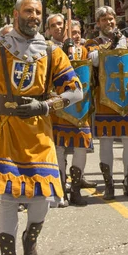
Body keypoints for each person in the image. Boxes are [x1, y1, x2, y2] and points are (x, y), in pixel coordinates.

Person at [0, 0, 82, 255]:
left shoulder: (53, 51)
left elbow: (75, 91)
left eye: (38, 12)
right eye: (29, 11)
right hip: (6, 131)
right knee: (8, 198)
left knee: (41, 194)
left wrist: (45, 106)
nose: (34, 16)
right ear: (16, 15)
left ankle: (30, 241)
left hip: (40, 131)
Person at [85, 6, 128, 200]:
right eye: (104, 20)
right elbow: (93, 61)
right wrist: (110, 46)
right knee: (106, 143)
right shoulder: (93, 43)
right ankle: (109, 186)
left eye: (111, 19)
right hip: (105, 99)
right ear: (98, 23)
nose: (109, 22)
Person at [46, 14, 95, 207]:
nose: (58, 27)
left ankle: (75, 188)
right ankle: (60, 189)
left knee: (81, 146)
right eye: (53, 25)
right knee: (58, 148)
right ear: (48, 30)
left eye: (60, 23)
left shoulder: (83, 49)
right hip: (57, 104)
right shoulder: (46, 49)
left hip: (80, 106)